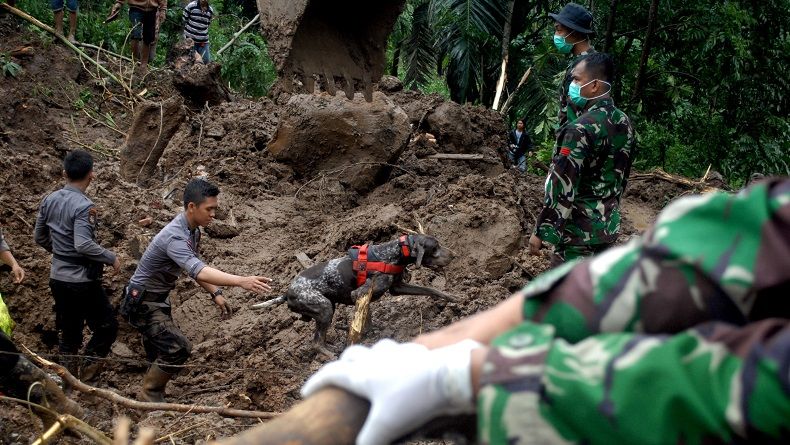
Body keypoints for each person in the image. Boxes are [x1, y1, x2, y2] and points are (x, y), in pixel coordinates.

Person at [302, 177, 790, 445]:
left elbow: (747, 387)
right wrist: (438, 350)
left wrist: (463, 375)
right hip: (324, 295)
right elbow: (736, 241)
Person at [122, 178, 272, 402]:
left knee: (161, 348)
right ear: (192, 207)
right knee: (178, 349)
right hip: (142, 302)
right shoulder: (175, 236)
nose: (213, 215)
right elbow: (199, 271)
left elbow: (194, 265)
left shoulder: (193, 231)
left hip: (157, 299)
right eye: (209, 209)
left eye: (215, 209)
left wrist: (216, 293)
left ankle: (152, 383)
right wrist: (241, 281)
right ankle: (149, 394)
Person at [528, 53, 634, 266]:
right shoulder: (624, 122)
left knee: (565, 296)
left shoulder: (579, 129)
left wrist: (542, 231)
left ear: (594, 85)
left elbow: (564, 184)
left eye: (577, 80)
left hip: (577, 235)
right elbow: (622, 177)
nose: (572, 85)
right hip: (607, 229)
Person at [33, 150, 120, 382]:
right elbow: (83, 244)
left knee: (70, 332)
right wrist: (109, 257)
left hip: (58, 278)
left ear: (64, 173)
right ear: (91, 175)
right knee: (106, 327)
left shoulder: (49, 199)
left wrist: (60, 254)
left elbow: (39, 237)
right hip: (82, 280)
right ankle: (87, 376)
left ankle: (69, 382)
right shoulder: (84, 206)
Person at [550, 2, 597, 130]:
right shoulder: (586, 61)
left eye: (559, 30)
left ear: (575, 33)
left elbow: (575, 114)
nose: (555, 35)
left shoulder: (585, 67)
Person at [110, 0, 167, 75]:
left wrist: (163, 10)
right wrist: (119, 3)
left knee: (148, 37)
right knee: (135, 34)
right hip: (136, 7)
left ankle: (143, 65)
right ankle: (135, 62)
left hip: (152, 9)